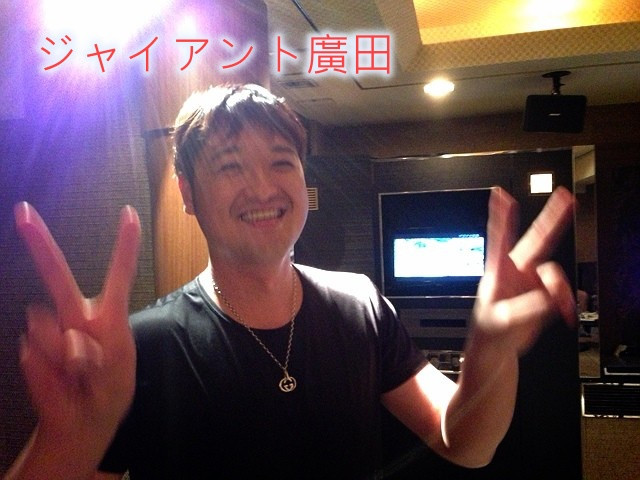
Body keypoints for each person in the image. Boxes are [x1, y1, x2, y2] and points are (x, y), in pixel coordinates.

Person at [5, 84, 576, 479]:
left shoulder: (359, 305)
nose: (262, 187)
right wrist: (64, 447)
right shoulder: (143, 346)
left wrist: (491, 354)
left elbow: (467, 444)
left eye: (281, 161)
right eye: (230, 165)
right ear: (187, 192)